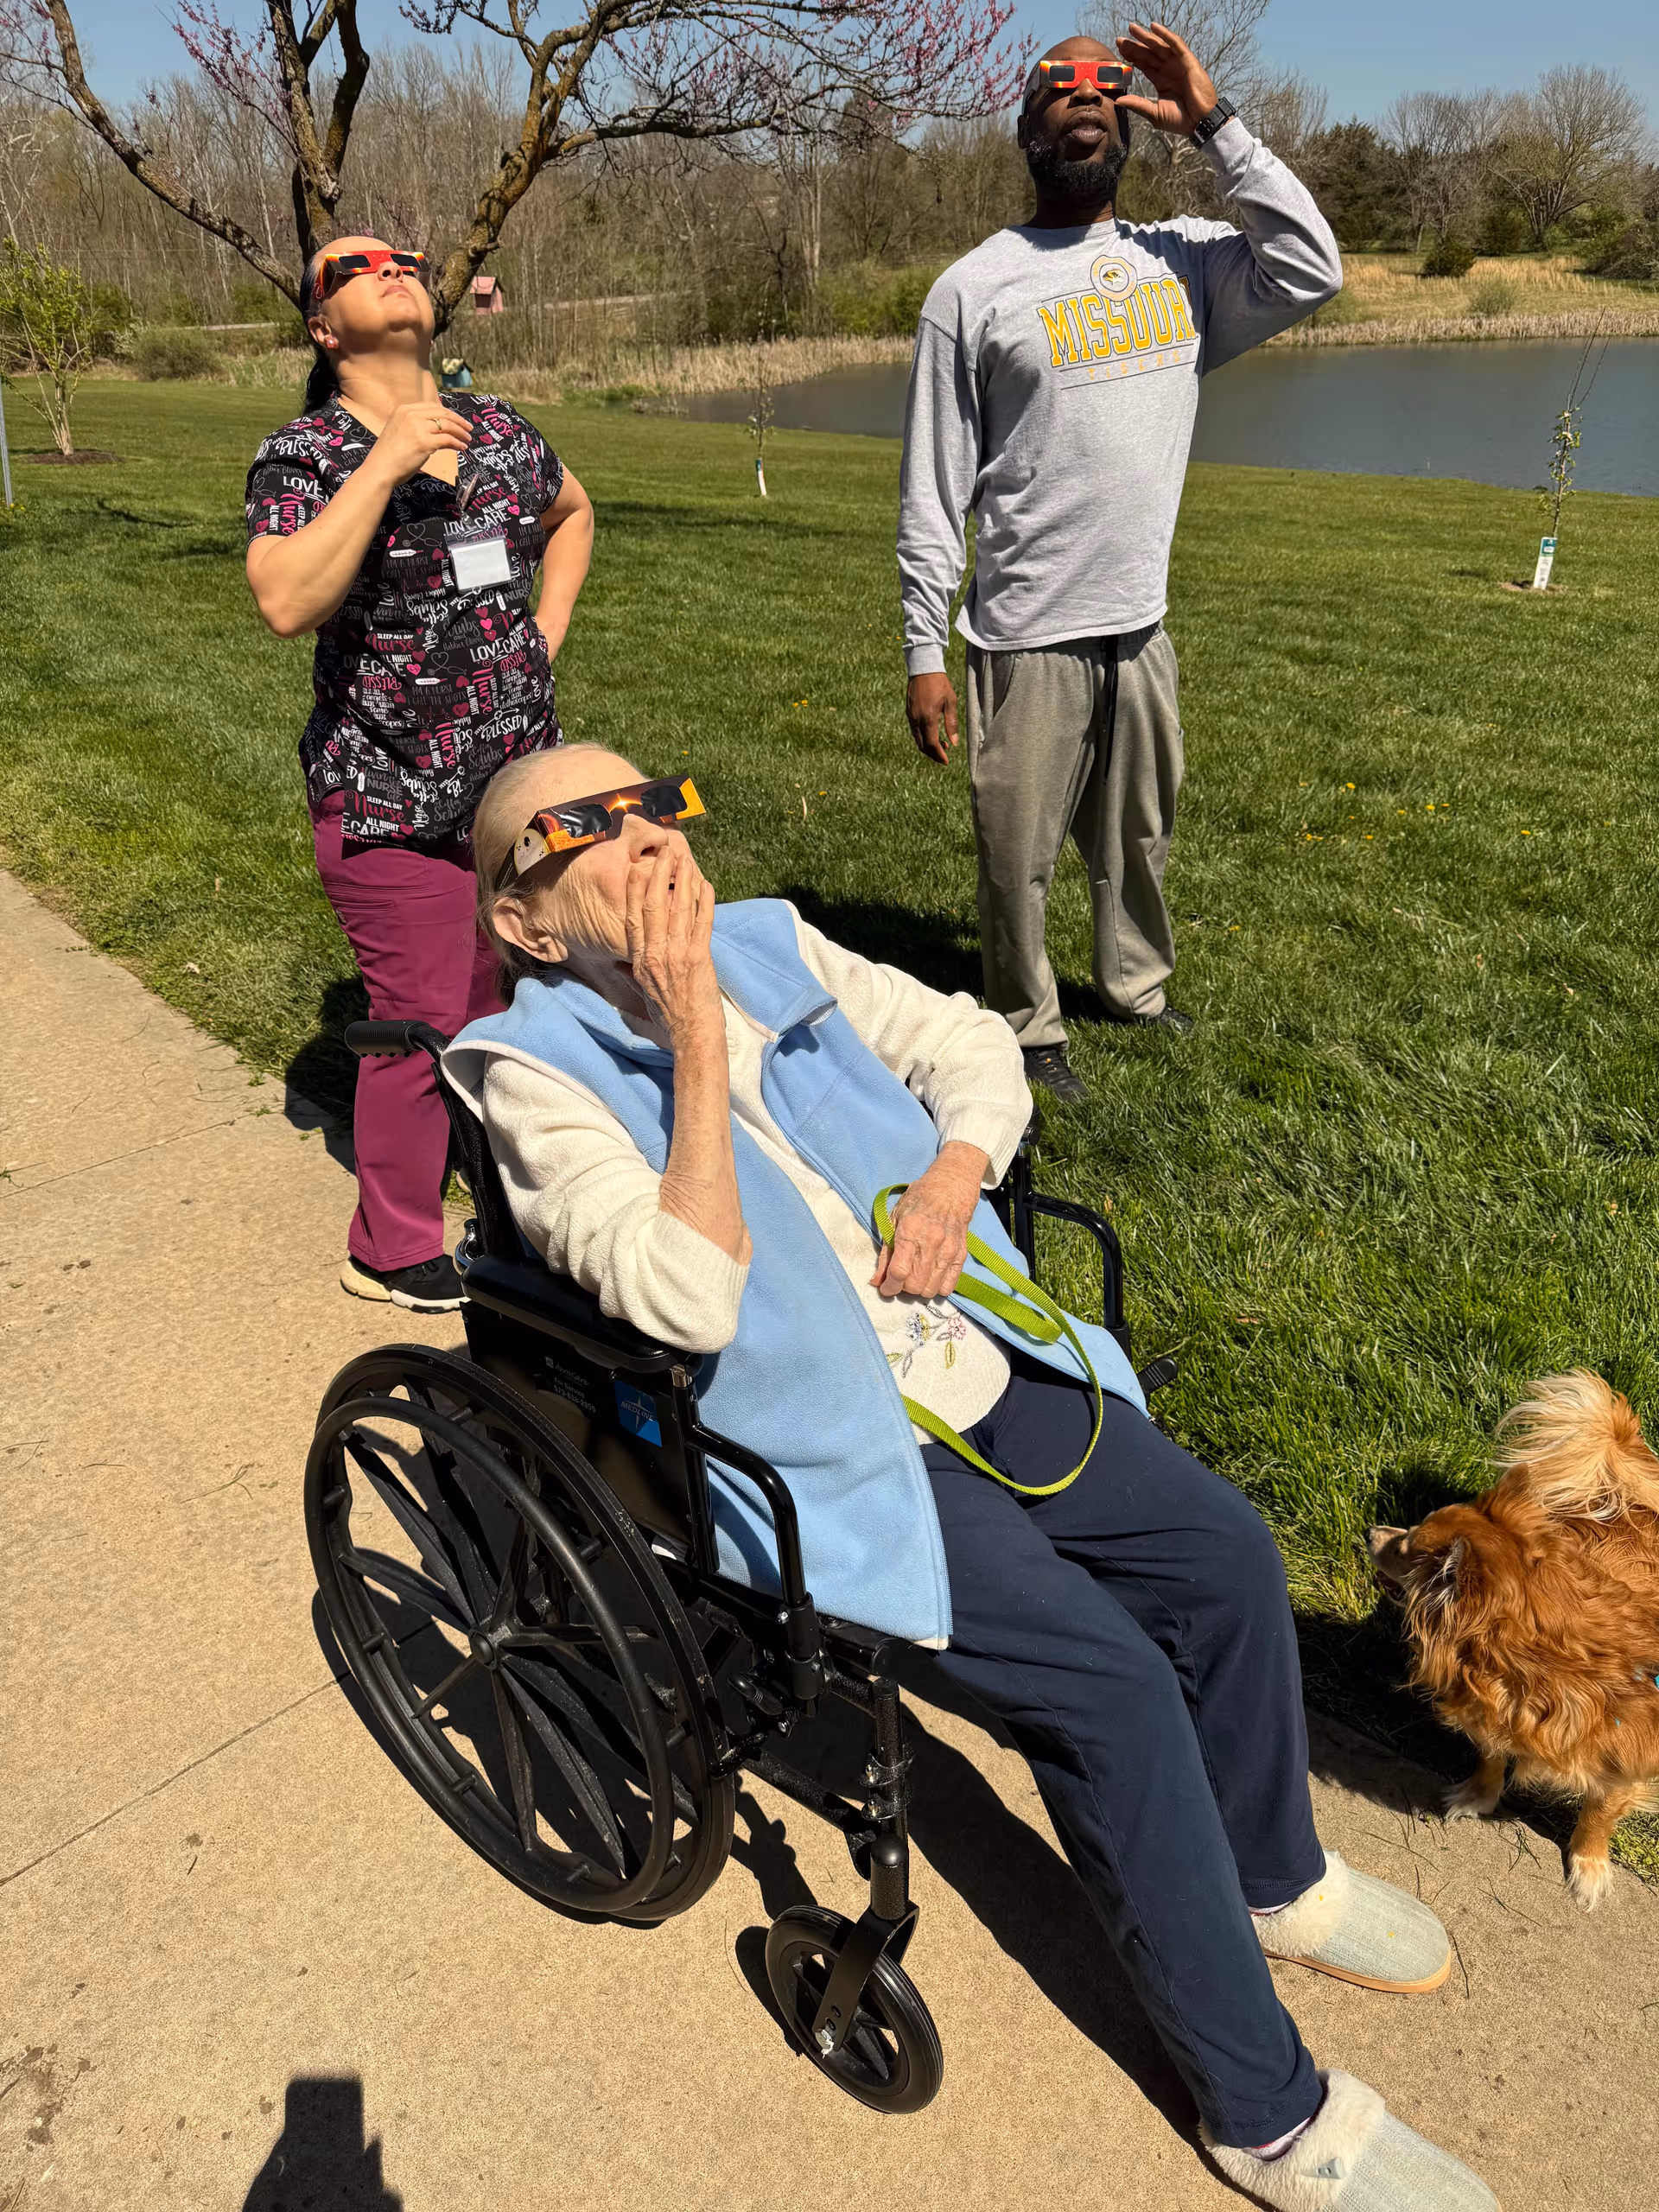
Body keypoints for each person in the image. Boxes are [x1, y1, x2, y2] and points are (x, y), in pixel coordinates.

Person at [440, 744, 1497, 2212]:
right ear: (524, 919)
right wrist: (691, 1040)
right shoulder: (526, 1077)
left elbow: (972, 1045)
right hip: (817, 1456)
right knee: (1113, 1692)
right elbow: (679, 1299)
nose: (645, 839)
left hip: (965, 1363)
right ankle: (1265, 2116)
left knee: (1227, 1555)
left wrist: (952, 1178)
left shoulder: (774, 943)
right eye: (583, 829)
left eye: (659, 801)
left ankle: (1273, 1877)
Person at [898, 25, 1342, 1103]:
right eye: (1061, 88)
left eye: (1108, 86)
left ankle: (1134, 987)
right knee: (1018, 852)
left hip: (1140, 624)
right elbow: (933, 483)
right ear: (1028, 127)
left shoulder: (1182, 260)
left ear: (1131, 125)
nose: (1086, 98)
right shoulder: (974, 290)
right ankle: (1026, 1021)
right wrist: (924, 646)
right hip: (1025, 631)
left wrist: (1218, 123)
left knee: (1141, 831)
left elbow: (1312, 268)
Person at [245, 235, 593, 1310]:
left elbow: (573, 513)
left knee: (521, 986)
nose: (391, 265)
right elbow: (285, 598)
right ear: (322, 324)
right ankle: (389, 1243)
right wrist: (385, 460)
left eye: (405, 256)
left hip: (517, 783)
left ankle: (507, 1189)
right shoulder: (304, 454)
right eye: (354, 265)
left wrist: (544, 631)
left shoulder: (498, 432)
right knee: (426, 1011)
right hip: (386, 793)